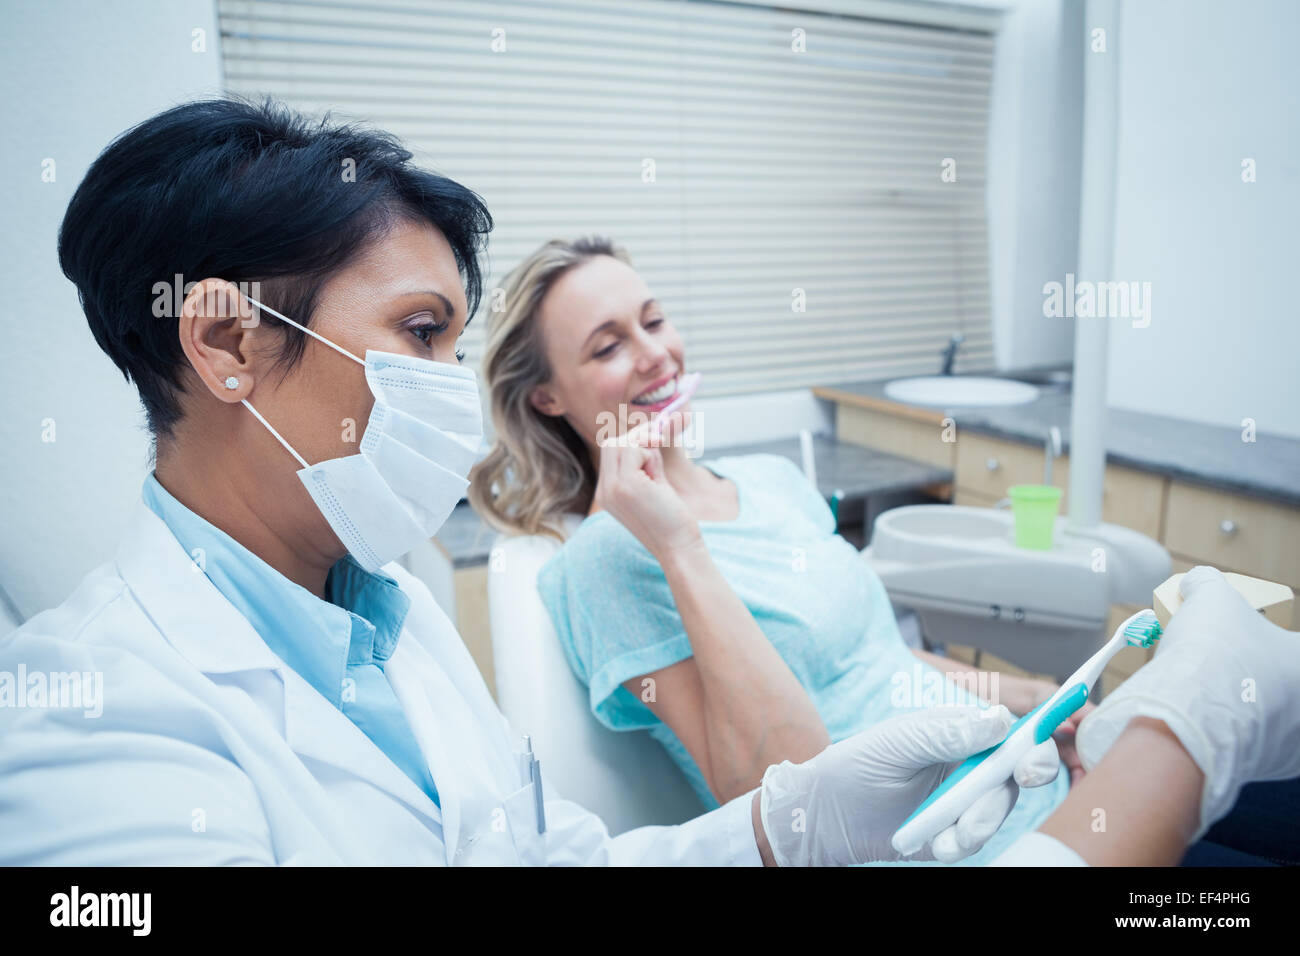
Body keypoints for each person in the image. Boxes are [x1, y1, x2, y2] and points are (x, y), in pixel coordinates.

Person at [0, 96, 1044, 866]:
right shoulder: (86, 714)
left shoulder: (398, 619)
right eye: (419, 332)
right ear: (228, 340)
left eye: (454, 344)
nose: (449, 392)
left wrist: (790, 825)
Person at [468, 236, 1077, 864]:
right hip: (952, 844)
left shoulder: (770, 479)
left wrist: (1037, 703)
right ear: (548, 397)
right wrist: (680, 547)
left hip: (1027, 778)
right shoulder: (607, 561)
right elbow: (789, 801)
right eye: (609, 345)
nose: (655, 354)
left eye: (654, 322)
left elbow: (877, 659)